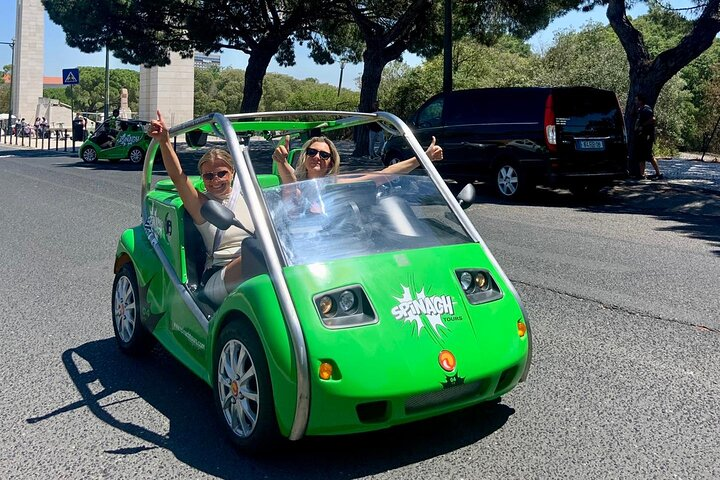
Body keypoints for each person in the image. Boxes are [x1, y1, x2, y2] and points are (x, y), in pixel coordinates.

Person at [148, 110, 254, 305]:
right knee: (257, 253)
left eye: (221, 173)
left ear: (232, 172)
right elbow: (179, 178)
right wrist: (164, 141)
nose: (215, 181)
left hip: (258, 268)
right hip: (219, 275)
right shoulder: (202, 204)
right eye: (208, 176)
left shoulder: (249, 197)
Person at [272, 133, 443, 187]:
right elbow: (291, 186)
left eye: (324, 155)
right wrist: (281, 161)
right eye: (312, 152)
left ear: (331, 162)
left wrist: (423, 158)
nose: (317, 157)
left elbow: (383, 174)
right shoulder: (296, 182)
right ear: (305, 155)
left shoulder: (335, 183)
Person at [633, 94, 663, 180]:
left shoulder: (647, 109)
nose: (635, 102)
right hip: (641, 136)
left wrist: (643, 125)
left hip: (647, 136)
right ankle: (642, 174)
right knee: (641, 156)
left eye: (637, 100)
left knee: (649, 155)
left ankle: (658, 173)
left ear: (640, 101)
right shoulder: (640, 110)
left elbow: (653, 119)